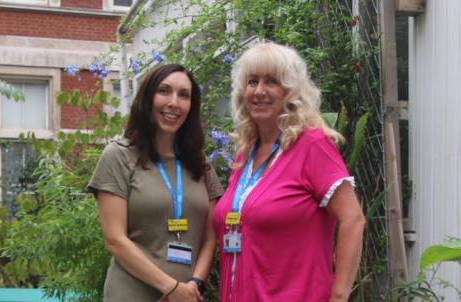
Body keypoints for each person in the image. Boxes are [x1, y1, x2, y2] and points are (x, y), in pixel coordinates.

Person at [213, 42, 366, 301]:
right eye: (252, 82)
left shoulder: (312, 144)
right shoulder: (245, 153)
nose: (259, 91)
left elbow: (353, 220)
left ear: (290, 92)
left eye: (271, 81)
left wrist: (339, 296)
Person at [88, 64, 224, 301]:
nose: (174, 102)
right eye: (165, 91)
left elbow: (210, 238)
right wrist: (172, 288)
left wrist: (194, 284)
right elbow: (115, 240)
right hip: (132, 293)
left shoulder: (200, 165)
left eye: (184, 95)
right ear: (147, 98)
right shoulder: (119, 156)